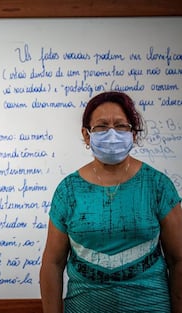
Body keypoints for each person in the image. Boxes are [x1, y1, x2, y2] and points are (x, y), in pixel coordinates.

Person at [39, 91, 182, 313]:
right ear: (87, 135)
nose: (112, 134)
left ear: (133, 134)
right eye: (101, 126)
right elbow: (52, 264)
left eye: (121, 126)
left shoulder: (157, 185)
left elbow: (178, 259)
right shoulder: (68, 191)